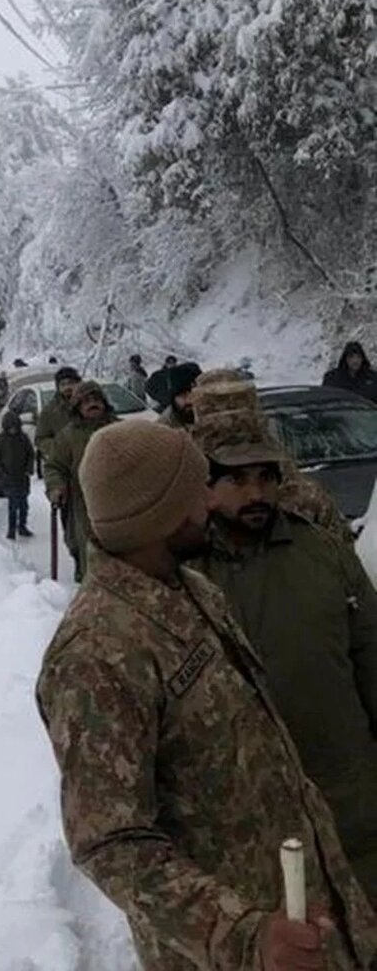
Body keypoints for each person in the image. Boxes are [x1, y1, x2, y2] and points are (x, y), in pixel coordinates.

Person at [36, 420, 377, 971]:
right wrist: (244, 935)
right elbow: (110, 842)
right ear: (160, 513)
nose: (207, 498)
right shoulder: (98, 653)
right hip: (237, 949)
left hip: (306, 906)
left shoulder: (193, 592)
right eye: (195, 488)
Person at [195, 408, 377, 908]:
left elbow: (371, 653)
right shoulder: (179, 571)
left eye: (265, 476)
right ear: (203, 483)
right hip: (238, 813)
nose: (256, 494)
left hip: (346, 792)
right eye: (235, 478)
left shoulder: (322, 551)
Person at [191, 369, 357, 551]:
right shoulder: (307, 496)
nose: (256, 494)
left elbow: (345, 565)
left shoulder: (183, 510)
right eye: (236, 479)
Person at [43, 381, 117, 581]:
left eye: (96, 399)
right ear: (77, 406)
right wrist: (56, 486)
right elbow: (54, 466)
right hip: (84, 505)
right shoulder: (67, 436)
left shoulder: (120, 428)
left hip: (121, 501)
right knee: (89, 552)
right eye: (86, 401)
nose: (92, 404)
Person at [0, 410, 35, 541]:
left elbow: (30, 454)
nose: (13, 430)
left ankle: (22, 525)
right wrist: (1, 473)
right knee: (12, 505)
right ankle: (11, 529)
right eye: (10, 428)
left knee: (23, 504)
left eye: (15, 427)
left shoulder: (23, 438)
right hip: (8, 477)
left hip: (22, 476)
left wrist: (29, 469)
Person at [35, 367, 81, 464]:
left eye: (71, 383)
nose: (67, 387)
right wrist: (59, 448)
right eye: (63, 384)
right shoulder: (50, 411)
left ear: (78, 383)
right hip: (65, 464)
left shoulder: (90, 403)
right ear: (58, 387)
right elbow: (41, 439)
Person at [157, 361, 201, 430]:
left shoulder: (217, 411)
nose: (189, 400)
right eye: (183, 395)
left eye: (194, 394)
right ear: (173, 398)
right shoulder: (165, 427)